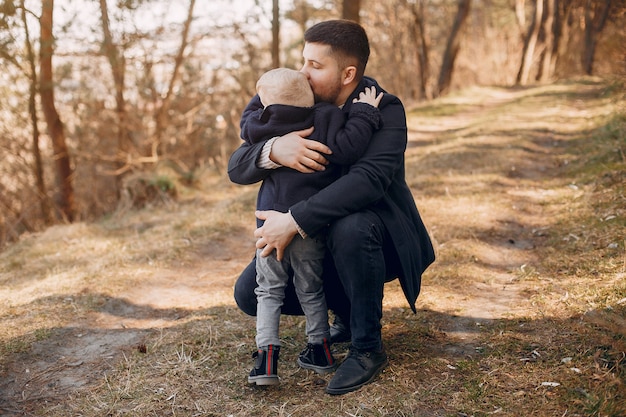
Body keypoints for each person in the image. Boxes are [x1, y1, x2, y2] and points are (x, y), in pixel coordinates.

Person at [228, 19, 435, 395]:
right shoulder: (296, 103)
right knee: (248, 293)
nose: (303, 74)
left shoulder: (384, 109)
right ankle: (344, 312)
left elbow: (368, 181)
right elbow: (236, 165)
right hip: (318, 240)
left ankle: (367, 347)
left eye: (315, 66)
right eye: (302, 61)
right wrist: (274, 151)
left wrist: (294, 220)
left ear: (348, 73)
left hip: (375, 238)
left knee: (350, 226)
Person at [240, 67, 383, 385]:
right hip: (307, 228)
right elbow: (349, 146)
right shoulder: (326, 115)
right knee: (310, 289)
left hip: (270, 225)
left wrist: (264, 94)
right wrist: (364, 113)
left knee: (268, 291)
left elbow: (247, 119)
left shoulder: (262, 122)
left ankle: (266, 361)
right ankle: (320, 351)